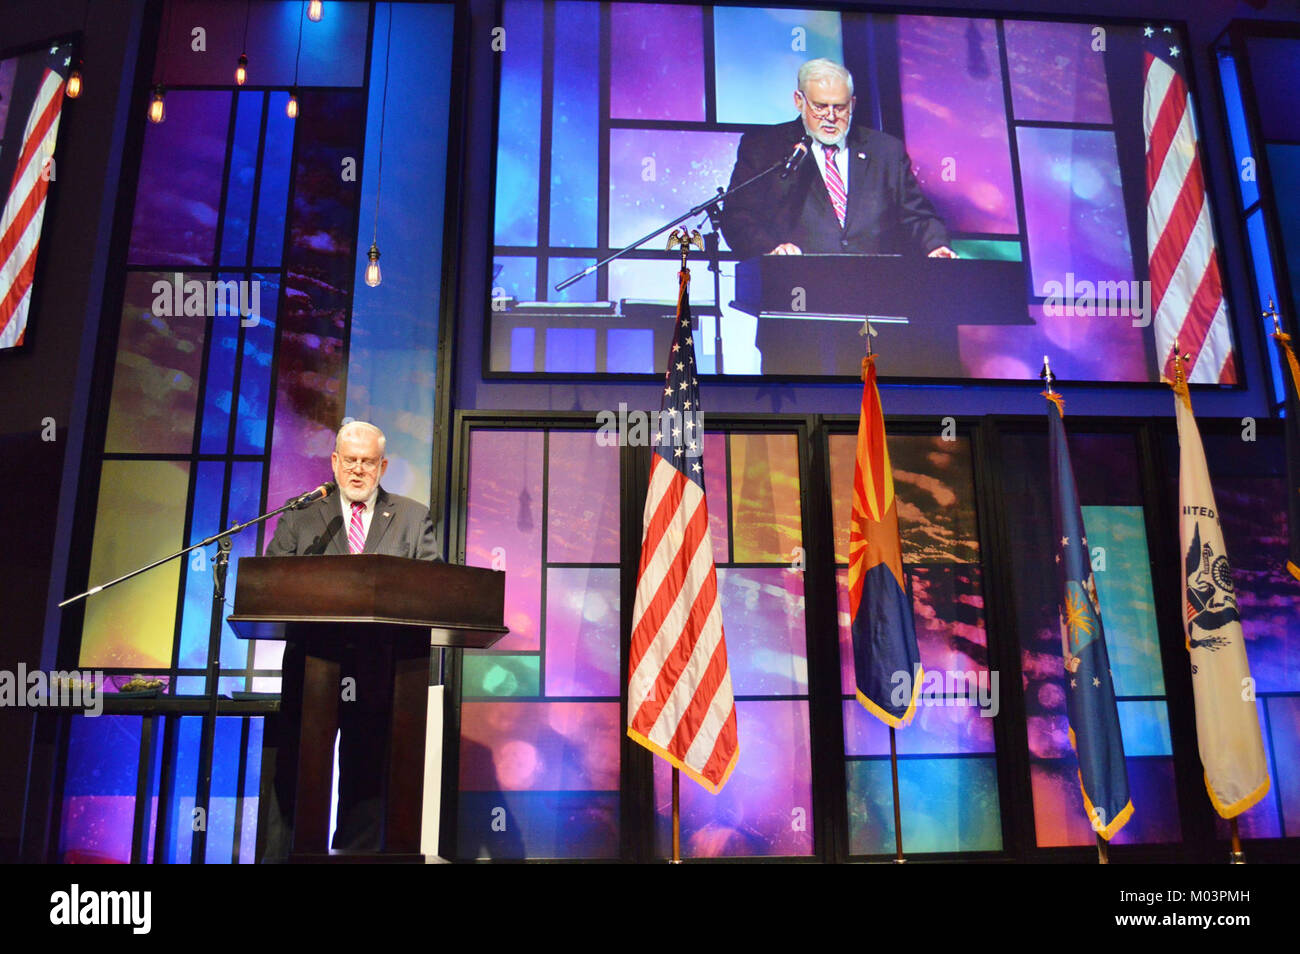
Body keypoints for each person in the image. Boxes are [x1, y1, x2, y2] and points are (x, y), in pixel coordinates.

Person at [259, 420, 439, 861]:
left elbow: (435, 587)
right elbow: (272, 579)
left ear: (383, 466)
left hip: (384, 669)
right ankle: (288, 857)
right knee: (298, 768)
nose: (358, 471)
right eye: (350, 461)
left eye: (368, 462)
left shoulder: (413, 517)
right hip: (313, 664)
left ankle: (356, 856)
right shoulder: (302, 514)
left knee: (368, 772)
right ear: (335, 462)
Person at [721, 58, 956, 373]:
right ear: (799, 101)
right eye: (820, 107)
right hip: (794, 316)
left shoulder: (885, 151)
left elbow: (917, 215)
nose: (831, 117)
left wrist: (935, 246)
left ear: (853, 103)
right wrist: (771, 253)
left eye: (840, 107)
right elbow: (739, 216)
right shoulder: (766, 148)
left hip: (877, 321)